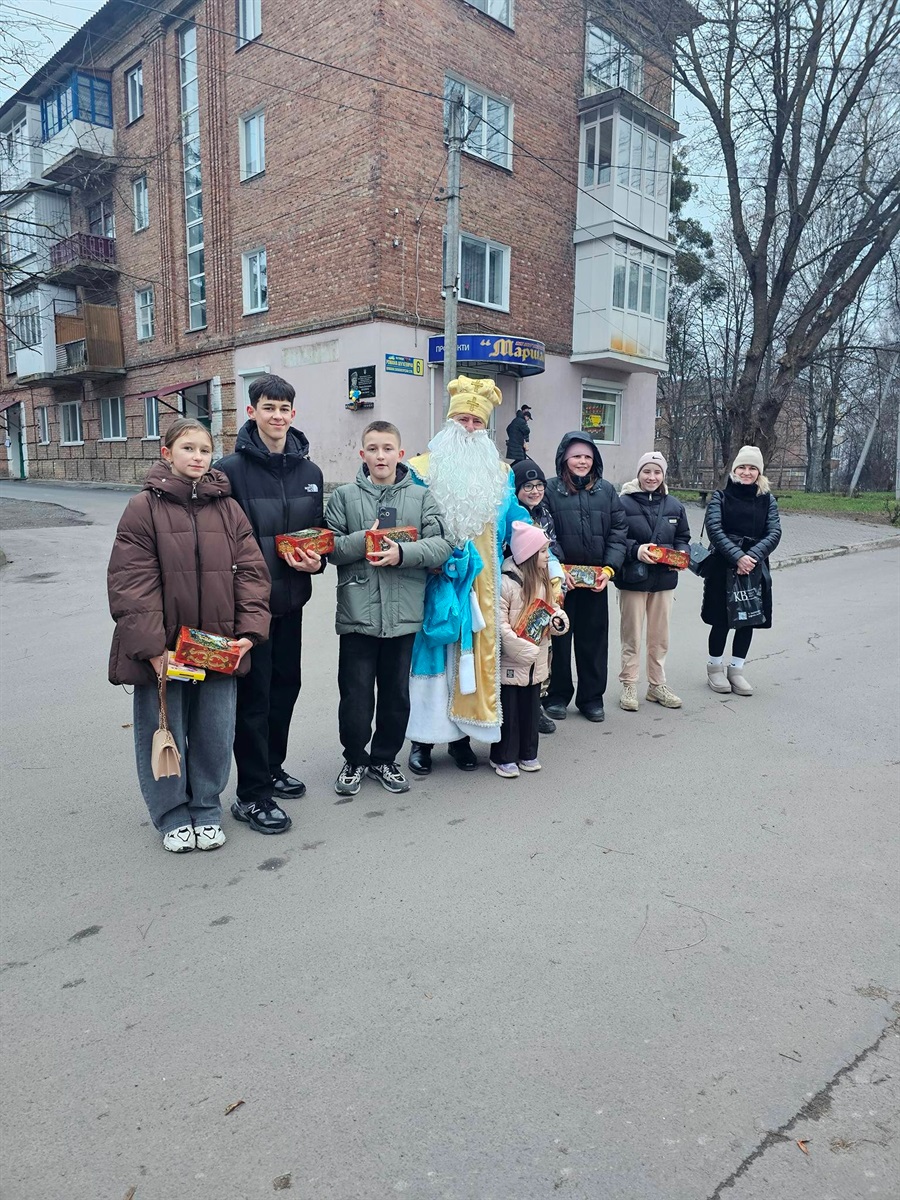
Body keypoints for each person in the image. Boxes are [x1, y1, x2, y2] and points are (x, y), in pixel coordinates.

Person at [107, 419, 270, 854]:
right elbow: (131, 583)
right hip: (165, 649)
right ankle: (172, 814)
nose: (197, 457)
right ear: (167, 453)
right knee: (165, 731)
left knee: (215, 732)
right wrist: (152, 650)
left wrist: (249, 633)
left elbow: (252, 574)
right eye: (188, 448)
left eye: (204, 449)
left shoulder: (228, 508)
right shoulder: (143, 508)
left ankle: (206, 808)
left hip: (218, 646)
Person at [216, 374, 324, 835]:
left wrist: (316, 561)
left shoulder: (310, 473)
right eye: (268, 407)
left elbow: (317, 533)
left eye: (283, 409)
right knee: (253, 700)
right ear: (252, 412)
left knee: (286, 688)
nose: (277, 416)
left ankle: (272, 767)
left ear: (292, 414)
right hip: (249, 608)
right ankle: (251, 794)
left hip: (292, 600)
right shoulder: (228, 470)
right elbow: (221, 542)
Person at [405, 375, 531, 774]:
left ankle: (460, 739)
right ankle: (423, 740)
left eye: (477, 422)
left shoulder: (501, 473)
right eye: (463, 419)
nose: (470, 428)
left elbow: (517, 520)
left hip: (482, 584)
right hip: (433, 580)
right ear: (449, 421)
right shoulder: (418, 470)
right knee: (431, 656)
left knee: (471, 659)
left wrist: (544, 555)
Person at [325, 420, 452, 797]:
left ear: (400, 454)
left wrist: (402, 553)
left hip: (403, 615)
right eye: (373, 449)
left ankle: (384, 759)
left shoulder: (421, 497)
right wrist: (366, 539)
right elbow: (330, 548)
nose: (380, 455)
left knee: (396, 695)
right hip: (357, 615)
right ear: (362, 454)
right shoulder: (344, 497)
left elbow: (442, 545)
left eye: (387, 449)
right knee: (355, 695)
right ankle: (354, 758)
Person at [542, 433, 628, 723]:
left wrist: (609, 568)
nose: (582, 461)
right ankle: (556, 695)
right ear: (565, 458)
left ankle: (591, 698)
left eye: (587, 456)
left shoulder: (606, 491)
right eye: (576, 456)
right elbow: (545, 531)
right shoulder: (551, 490)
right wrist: (558, 568)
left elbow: (619, 531)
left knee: (594, 640)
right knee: (559, 637)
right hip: (560, 581)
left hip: (596, 581)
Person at [702, 446, 782, 696]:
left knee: (749, 619)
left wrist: (752, 557)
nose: (746, 472)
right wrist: (737, 556)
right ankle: (715, 668)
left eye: (752, 468)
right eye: (742, 467)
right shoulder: (720, 497)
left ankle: (736, 670)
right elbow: (715, 530)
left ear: (759, 472)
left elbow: (774, 532)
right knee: (721, 620)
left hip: (754, 568)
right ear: (734, 469)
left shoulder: (768, 500)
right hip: (723, 565)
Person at [491, 521, 568, 778]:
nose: (548, 556)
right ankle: (503, 756)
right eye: (544, 551)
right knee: (510, 712)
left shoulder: (543, 583)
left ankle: (527, 752)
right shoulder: (506, 584)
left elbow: (552, 611)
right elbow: (500, 626)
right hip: (513, 663)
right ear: (529, 554)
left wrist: (558, 621)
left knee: (531, 710)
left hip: (536, 663)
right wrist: (522, 650)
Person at [615, 451, 691, 711]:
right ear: (639, 473)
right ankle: (629, 684)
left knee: (660, 637)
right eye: (647, 471)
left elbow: (683, 537)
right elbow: (615, 538)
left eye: (657, 472)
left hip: (664, 580)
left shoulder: (674, 505)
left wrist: (682, 555)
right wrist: (636, 550)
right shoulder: (623, 503)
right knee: (632, 636)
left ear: (663, 475)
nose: (652, 477)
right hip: (633, 579)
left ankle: (657, 685)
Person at [512, 457, 565, 735]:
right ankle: (516, 709)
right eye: (528, 486)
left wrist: (557, 577)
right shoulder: (511, 513)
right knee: (519, 648)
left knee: (543, 646)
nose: (535, 491)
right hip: (518, 589)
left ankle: (537, 706)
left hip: (542, 587)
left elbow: (552, 548)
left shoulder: (544, 513)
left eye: (539, 485)